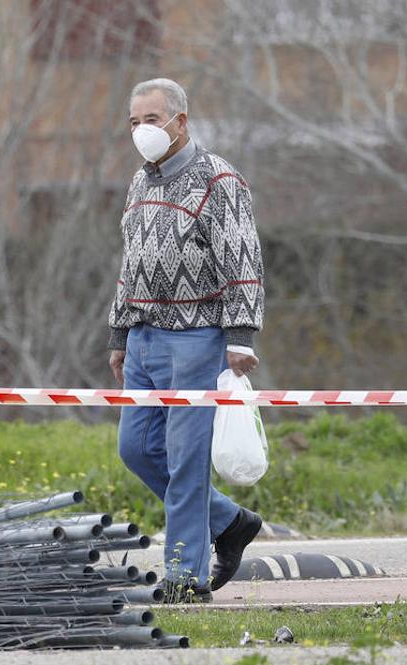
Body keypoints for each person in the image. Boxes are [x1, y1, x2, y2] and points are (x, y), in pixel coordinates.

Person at [106, 77, 265, 603]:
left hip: (196, 337)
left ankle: (185, 577)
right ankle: (230, 522)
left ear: (180, 122)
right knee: (136, 448)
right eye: (134, 121)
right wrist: (119, 330)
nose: (141, 131)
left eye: (151, 120)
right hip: (144, 336)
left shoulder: (218, 180)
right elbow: (132, 260)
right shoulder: (140, 181)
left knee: (186, 459)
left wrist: (240, 334)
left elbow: (242, 258)